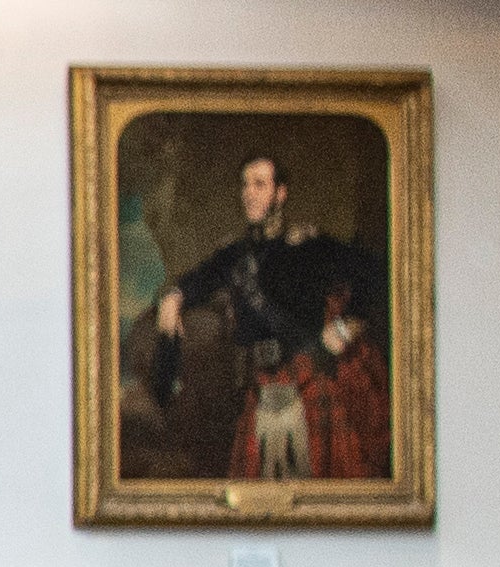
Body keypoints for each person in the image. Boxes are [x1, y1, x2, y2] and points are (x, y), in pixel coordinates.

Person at [149, 149, 390, 481]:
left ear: (280, 193)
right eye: (245, 184)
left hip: (308, 386)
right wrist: (173, 298)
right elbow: (196, 281)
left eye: (259, 185)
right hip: (258, 391)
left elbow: (376, 274)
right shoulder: (235, 255)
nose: (248, 193)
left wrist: (345, 328)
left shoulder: (310, 246)